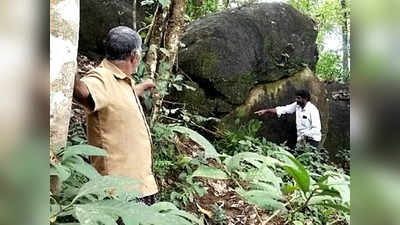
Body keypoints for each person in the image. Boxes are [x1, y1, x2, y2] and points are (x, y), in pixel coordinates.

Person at [73, 26, 158, 205]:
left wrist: (140, 88)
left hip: (140, 184)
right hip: (120, 192)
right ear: (134, 56)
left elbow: (115, 98)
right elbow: (83, 92)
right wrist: (67, 62)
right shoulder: (102, 77)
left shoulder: (120, 80)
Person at [254, 89, 321, 148]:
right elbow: (284, 109)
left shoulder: (312, 110)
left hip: (312, 140)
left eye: (298, 98)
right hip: (301, 139)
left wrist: (305, 136)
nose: (296, 100)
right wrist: (266, 111)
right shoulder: (297, 105)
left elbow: (316, 129)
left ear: (305, 99)